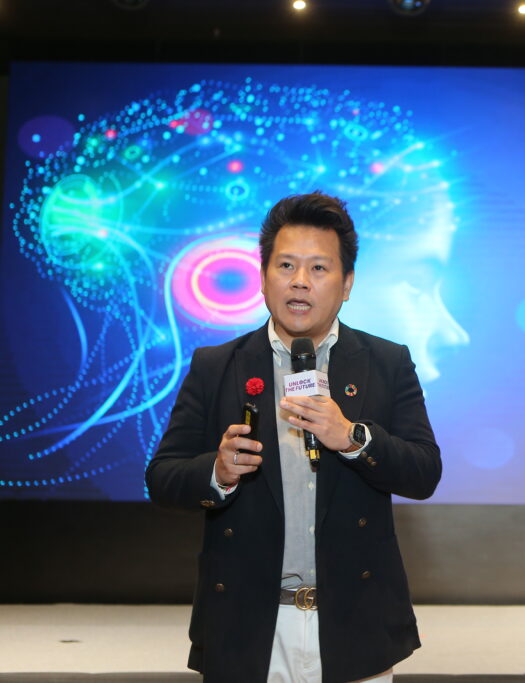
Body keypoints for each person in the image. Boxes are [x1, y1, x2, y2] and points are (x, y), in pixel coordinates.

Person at [145, 191, 442, 683]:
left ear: (347, 283)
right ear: (263, 278)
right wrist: (217, 472)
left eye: (319, 268)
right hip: (245, 627)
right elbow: (162, 478)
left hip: (356, 627)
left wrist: (353, 438)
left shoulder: (386, 362)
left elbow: (424, 472)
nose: (300, 281)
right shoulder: (217, 366)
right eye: (286, 265)